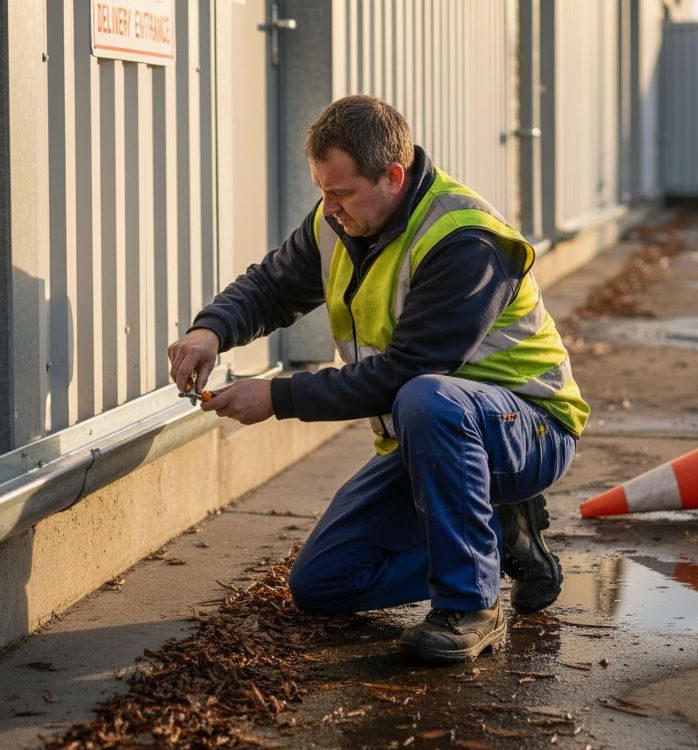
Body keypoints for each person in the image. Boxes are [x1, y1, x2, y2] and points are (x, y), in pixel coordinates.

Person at [167, 95, 588, 663]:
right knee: (323, 584)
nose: (329, 207)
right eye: (322, 190)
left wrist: (278, 396)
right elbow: (271, 287)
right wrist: (209, 331)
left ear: (394, 175)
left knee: (428, 397)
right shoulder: (336, 222)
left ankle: (469, 605)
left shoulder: (466, 239)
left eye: (341, 193)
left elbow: (407, 372)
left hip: (531, 428)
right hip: (433, 438)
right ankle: (496, 531)